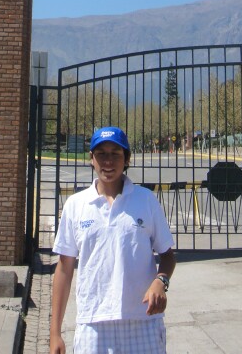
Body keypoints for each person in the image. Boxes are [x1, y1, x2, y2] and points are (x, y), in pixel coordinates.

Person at [50, 126, 176, 354]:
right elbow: (64, 268)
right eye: (101, 154)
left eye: (115, 154)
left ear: (126, 159)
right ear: (91, 159)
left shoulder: (145, 200)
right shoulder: (76, 205)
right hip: (93, 324)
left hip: (143, 321)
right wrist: (55, 333)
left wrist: (161, 282)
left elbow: (167, 255)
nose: (108, 161)